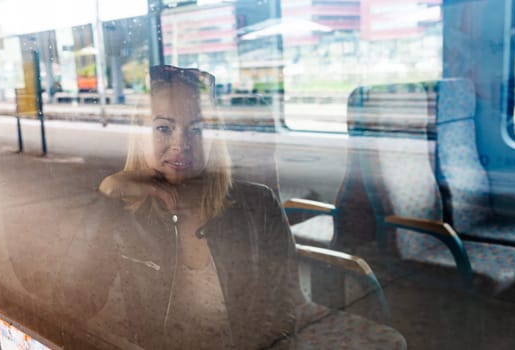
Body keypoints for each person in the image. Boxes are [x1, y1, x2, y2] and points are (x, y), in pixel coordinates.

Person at [94, 65, 405, 350]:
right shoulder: (120, 211)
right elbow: (78, 299)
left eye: (197, 129)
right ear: (140, 134)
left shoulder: (259, 205)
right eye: (164, 128)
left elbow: (282, 309)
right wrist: (107, 196)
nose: (181, 143)